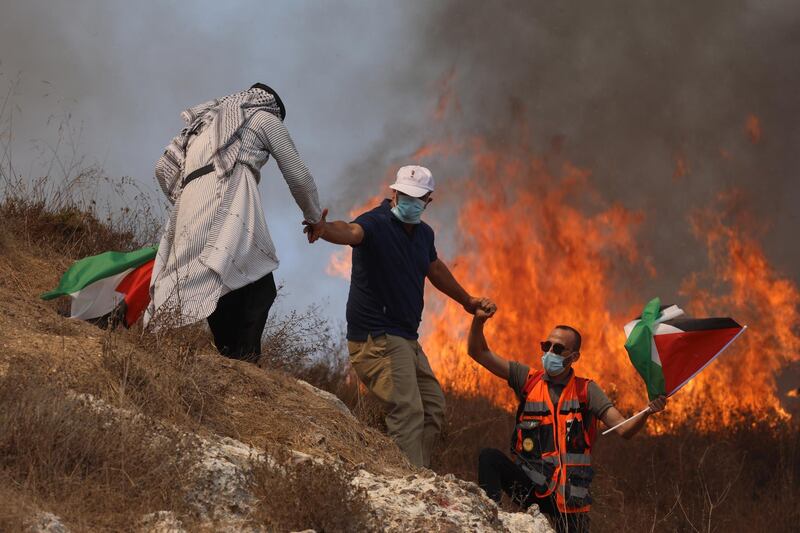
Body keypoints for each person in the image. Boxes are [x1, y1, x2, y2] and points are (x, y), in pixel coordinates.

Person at [305, 165, 496, 467]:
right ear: (394, 193)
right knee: (407, 411)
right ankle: (409, 482)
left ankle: (411, 471)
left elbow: (434, 268)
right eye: (404, 194)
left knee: (433, 408)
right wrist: (324, 229)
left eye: (417, 197)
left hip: (406, 339)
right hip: (377, 338)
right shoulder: (376, 223)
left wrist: (468, 301)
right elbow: (350, 231)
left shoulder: (424, 234)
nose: (410, 201)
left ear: (428, 201)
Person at [146, 83, 325, 362]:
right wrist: (315, 218)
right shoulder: (264, 117)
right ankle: (243, 358)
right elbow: (298, 174)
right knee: (257, 284)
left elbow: (161, 169)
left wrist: (189, 200)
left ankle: (232, 355)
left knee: (217, 276)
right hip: (225, 193)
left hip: (188, 203)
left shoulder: (204, 125)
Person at [467, 309, 667, 533]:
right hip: (531, 488)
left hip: (570, 501)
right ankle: (489, 523)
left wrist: (647, 412)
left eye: (558, 349)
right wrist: (478, 320)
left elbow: (624, 430)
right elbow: (479, 352)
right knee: (489, 457)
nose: (550, 352)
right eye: (547, 346)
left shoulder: (586, 391)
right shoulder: (528, 380)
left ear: (574, 357)